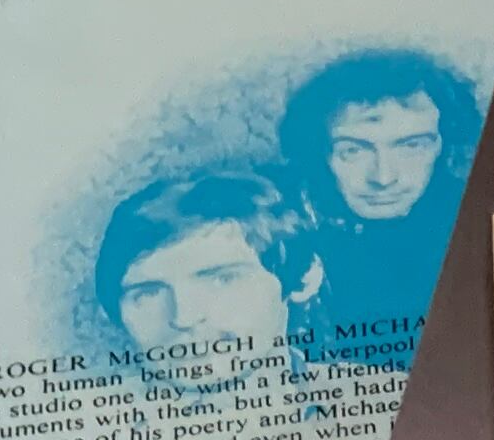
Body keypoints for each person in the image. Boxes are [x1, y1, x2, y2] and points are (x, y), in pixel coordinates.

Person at [275, 49, 477, 360]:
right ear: (320, 152)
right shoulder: (277, 223)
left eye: (412, 146)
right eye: (353, 151)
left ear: (442, 145)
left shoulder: (473, 220)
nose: (384, 178)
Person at [94, 167, 351, 403]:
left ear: (305, 279)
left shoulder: (368, 400)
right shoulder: (94, 425)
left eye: (222, 280)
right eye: (148, 293)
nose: (184, 317)